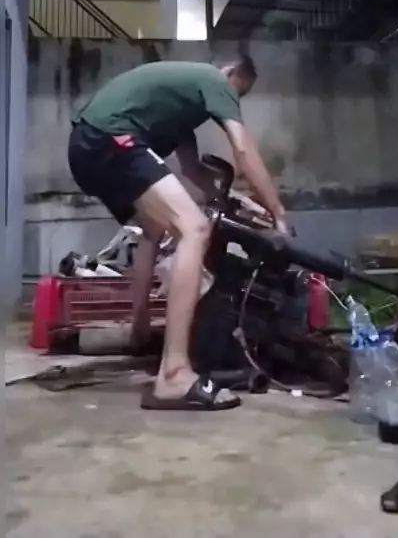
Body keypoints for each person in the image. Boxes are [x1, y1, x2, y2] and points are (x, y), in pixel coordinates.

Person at [68, 55, 288, 411]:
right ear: (231, 72)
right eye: (238, 93)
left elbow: (193, 171)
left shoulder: (180, 112)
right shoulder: (213, 80)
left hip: (89, 144)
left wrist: (238, 200)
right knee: (194, 228)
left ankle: (140, 330)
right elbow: (243, 150)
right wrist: (278, 213)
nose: (233, 103)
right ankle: (173, 375)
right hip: (109, 136)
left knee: (153, 227)